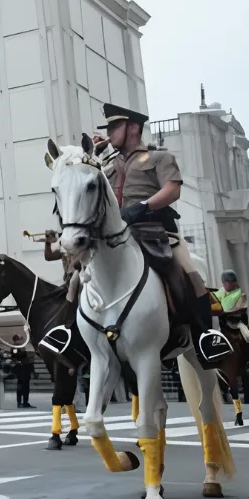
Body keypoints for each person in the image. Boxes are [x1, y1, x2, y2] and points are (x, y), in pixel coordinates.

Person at [99, 103, 231, 366]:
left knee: (189, 275)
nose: (110, 132)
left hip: (156, 232)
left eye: (115, 127)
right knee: (81, 274)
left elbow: (172, 190)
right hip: (119, 235)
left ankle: (205, 337)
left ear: (133, 127)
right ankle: (73, 334)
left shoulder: (159, 158)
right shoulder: (108, 166)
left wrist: (144, 206)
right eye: (109, 128)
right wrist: (91, 154)